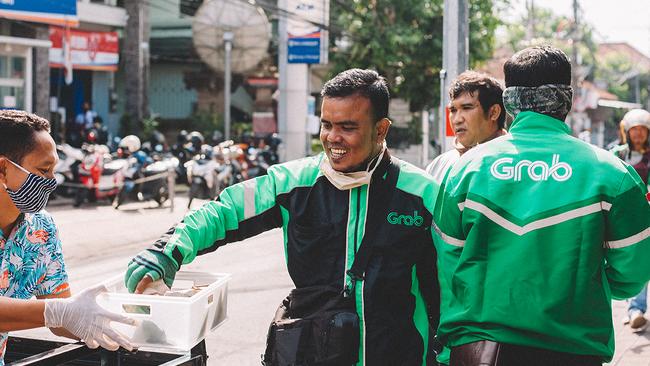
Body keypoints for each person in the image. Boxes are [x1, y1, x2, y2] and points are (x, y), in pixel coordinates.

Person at [124, 69, 441, 365]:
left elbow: (452, 283)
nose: (332, 138)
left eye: (348, 127)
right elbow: (225, 211)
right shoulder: (292, 183)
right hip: (315, 351)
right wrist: (166, 251)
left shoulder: (423, 193)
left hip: (400, 353)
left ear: (380, 129)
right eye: (327, 125)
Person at [433, 46, 650, 365]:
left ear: (508, 101)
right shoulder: (612, 174)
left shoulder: (465, 170)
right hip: (573, 349)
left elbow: (446, 265)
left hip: (479, 350)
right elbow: (633, 272)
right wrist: (590, 284)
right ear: (568, 98)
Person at [0, 110, 134, 363]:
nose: (51, 182)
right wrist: (60, 312)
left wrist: (124, 319)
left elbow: (62, 314)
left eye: (54, 171)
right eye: (43, 170)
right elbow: (57, 312)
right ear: (4, 168)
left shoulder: (41, 228)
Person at [425, 70, 506, 183]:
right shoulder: (438, 166)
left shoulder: (512, 166)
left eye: (467, 108)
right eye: (453, 110)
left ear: (493, 112)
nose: (457, 119)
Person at [610, 108, 650, 332]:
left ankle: (635, 309)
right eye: (634, 130)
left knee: (641, 258)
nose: (638, 134)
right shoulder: (616, 154)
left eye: (642, 130)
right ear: (627, 131)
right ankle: (632, 306)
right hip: (620, 216)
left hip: (645, 215)